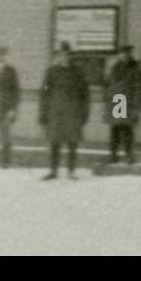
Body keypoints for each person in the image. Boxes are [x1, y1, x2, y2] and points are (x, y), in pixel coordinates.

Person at [40, 43, 89, 180]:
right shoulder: (51, 72)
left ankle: (71, 171)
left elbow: (85, 94)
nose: (64, 57)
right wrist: (43, 114)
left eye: (67, 54)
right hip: (55, 113)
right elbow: (44, 94)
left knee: (72, 143)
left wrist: (84, 113)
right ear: (58, 56)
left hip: (73, 113)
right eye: (62, 54)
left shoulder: (78, 72)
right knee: (54, 142)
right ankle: (53, 171)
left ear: (70, 56)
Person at [104, 44, 141, 164]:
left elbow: (138, 88)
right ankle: (113, 155)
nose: (124, 55)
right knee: (115, 129)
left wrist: (136, 107)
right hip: (117, 101)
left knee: (127, 129)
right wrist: (108, 102)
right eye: (122, 53)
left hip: (128, 102)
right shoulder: (115, 67)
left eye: (127, 53)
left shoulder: (135, 68)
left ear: (130, 54)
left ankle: (129, 154)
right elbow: (110, 85)